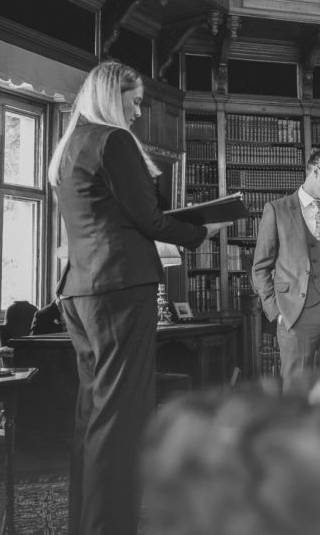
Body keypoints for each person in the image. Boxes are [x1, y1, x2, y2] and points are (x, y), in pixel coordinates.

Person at [50, 61, 227, 535]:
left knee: (93, 414)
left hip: (79, 291)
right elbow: (149, 219)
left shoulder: (69, 146)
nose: (138, 110)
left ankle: (87, 525)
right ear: (113, 96)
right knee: (122, 417)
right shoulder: (114, 141)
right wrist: (200, 231)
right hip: (122, 289)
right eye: (134, 101)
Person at [252, 147, 320, 394]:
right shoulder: (276, 209)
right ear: (318, 171)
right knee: (296, 388)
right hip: (294, 314)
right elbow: (260, 267)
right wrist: (276, 311)